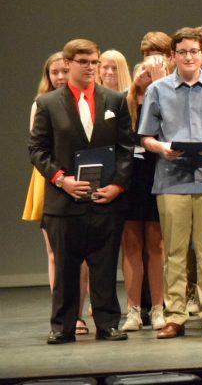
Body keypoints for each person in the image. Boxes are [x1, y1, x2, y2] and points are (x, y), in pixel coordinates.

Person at [138, 27, 202, 338]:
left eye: (193, 51)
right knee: (174, 251)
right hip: (171, 178)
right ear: (173, 56)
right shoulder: (158, 90)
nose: (188, 57)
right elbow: (145, 138)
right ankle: (175, 316)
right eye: (181, 52)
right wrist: (164, 148)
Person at [30, 38, 133, 344]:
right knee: (65, 268)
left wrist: (117, 185)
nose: (90, 68)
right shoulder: (49, 104)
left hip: (105, 199)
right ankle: (62, 326)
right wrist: (62, 179)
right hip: (64, 200)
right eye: (84, 62)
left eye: (94, 62)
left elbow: (126, 148)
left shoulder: (114, 101)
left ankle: (108, 324)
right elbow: (37, 150)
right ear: (68, 64)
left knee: (104, 265)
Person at [23, 52, 93, 336]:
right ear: (48, 76)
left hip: (83, 177)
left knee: (84, 253)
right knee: (55, 253)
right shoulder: (42, 104)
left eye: (64, 71)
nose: (60, 77)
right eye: (54, 72)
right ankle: (63, 313)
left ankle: (78, 313)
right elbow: (39, 147)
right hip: (50, 179)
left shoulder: (88, 100)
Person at [120, 60, 168, 332]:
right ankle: (133, 311)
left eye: (153, 72)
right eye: (143, 70)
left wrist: (159, 85)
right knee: (131, 244)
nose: (146, 75)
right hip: (129, 177)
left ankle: (158, 308)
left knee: (156, 244)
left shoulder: (165, 95)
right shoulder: (123, 101)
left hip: (158, 173)